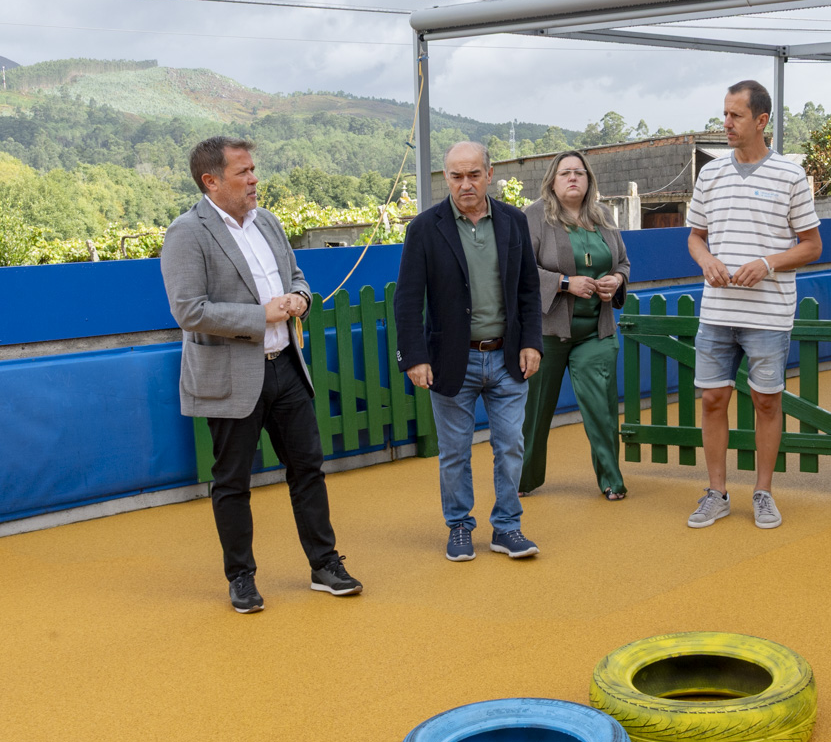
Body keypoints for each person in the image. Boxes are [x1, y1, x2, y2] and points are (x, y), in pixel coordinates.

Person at [160, 136, 363, 612]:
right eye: (243, 172)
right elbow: (189, 311)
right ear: (211, 181)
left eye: (253, 169)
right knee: (232, 482)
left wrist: (300, 300)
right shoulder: (186, 233)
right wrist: (262, 315)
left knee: (308, 469)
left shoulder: (268, 221)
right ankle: (241, 578)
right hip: (231, 378)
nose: (254, 179)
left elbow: (297, 278)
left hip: (286, 367)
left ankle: (324, 564)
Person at [395, 141, 544, 562]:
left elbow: (529, 290)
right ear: (446, 178)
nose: (465, 184)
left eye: (474, 175)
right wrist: (415, 357)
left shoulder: (514, 221)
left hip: (507, 358)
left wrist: (532, 342)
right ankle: (459, 526)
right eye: (456, 176)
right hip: (450, 360)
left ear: (489, 174)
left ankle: (507, 527)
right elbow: (408, 299)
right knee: (455, 452)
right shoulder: (425, 228)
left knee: (511, 446)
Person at [684, 81, 823, 530]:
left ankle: (763, 493)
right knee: (712, 400)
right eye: (724, 114)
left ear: (761, 120)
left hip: (769, 315)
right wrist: (706, 260)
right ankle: (717, 493)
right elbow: (695, 237)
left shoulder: (790, 175)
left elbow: (813, 245)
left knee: (766, 402)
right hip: (717, 312)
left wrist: (766, 264)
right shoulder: (710, 174)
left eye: (736, 115)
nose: (726, 123)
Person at [521, 151, 631, 500]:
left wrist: (616, 279)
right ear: (552, 181)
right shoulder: (534, 216)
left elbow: (623, 262)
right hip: (546, 332)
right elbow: (521, 270)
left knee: (602, 410)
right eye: (565, 172)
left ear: (589, 180)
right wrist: (565, 283)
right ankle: (522, 479)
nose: (573, 178)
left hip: (596, 331)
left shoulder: (604, 216)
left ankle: (611, 481)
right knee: (535, 411)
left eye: (579, 173)